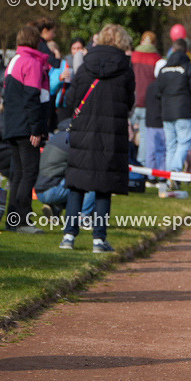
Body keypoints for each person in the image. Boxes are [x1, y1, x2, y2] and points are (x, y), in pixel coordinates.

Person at [61, 24, 136, 252]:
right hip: (111, 132)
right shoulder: (125, 68)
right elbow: (129, 102)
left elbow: (71, 98)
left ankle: (68, 236)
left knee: (77, 184)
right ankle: (98, 239)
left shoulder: (86, 64)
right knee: (104, 186)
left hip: (84, 129)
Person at [2, 25, 53, 234]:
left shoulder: (13, 61)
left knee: (17, 174)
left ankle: (12, 219)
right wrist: (36, 129)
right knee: (29, 173)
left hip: (12, 124)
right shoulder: (32, 63)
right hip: (26, 126)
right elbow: (32, 97)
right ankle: (23, 220)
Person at [155, 39, 191, 180]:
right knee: (184, 142)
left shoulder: (163, 69)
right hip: (183, 111)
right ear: (186, 51)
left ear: (173, 50)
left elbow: (157, 92)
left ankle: (170, 176)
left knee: (171, 145)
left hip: (167, 112)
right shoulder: (190, 68)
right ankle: (174, 172)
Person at [33, 118, 95, 219]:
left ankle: (56, 207)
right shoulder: (73, 140)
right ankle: (83, 217)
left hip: (41, 188)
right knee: (91, 180)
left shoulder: (57, 137)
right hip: (51, 189)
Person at [130, 31, 165, 165]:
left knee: (125, 133)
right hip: (148, 103)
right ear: (155, 43)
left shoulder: (133, 56)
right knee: (144, 138)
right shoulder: (157, 59)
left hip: (131, 100)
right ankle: (141, 166)